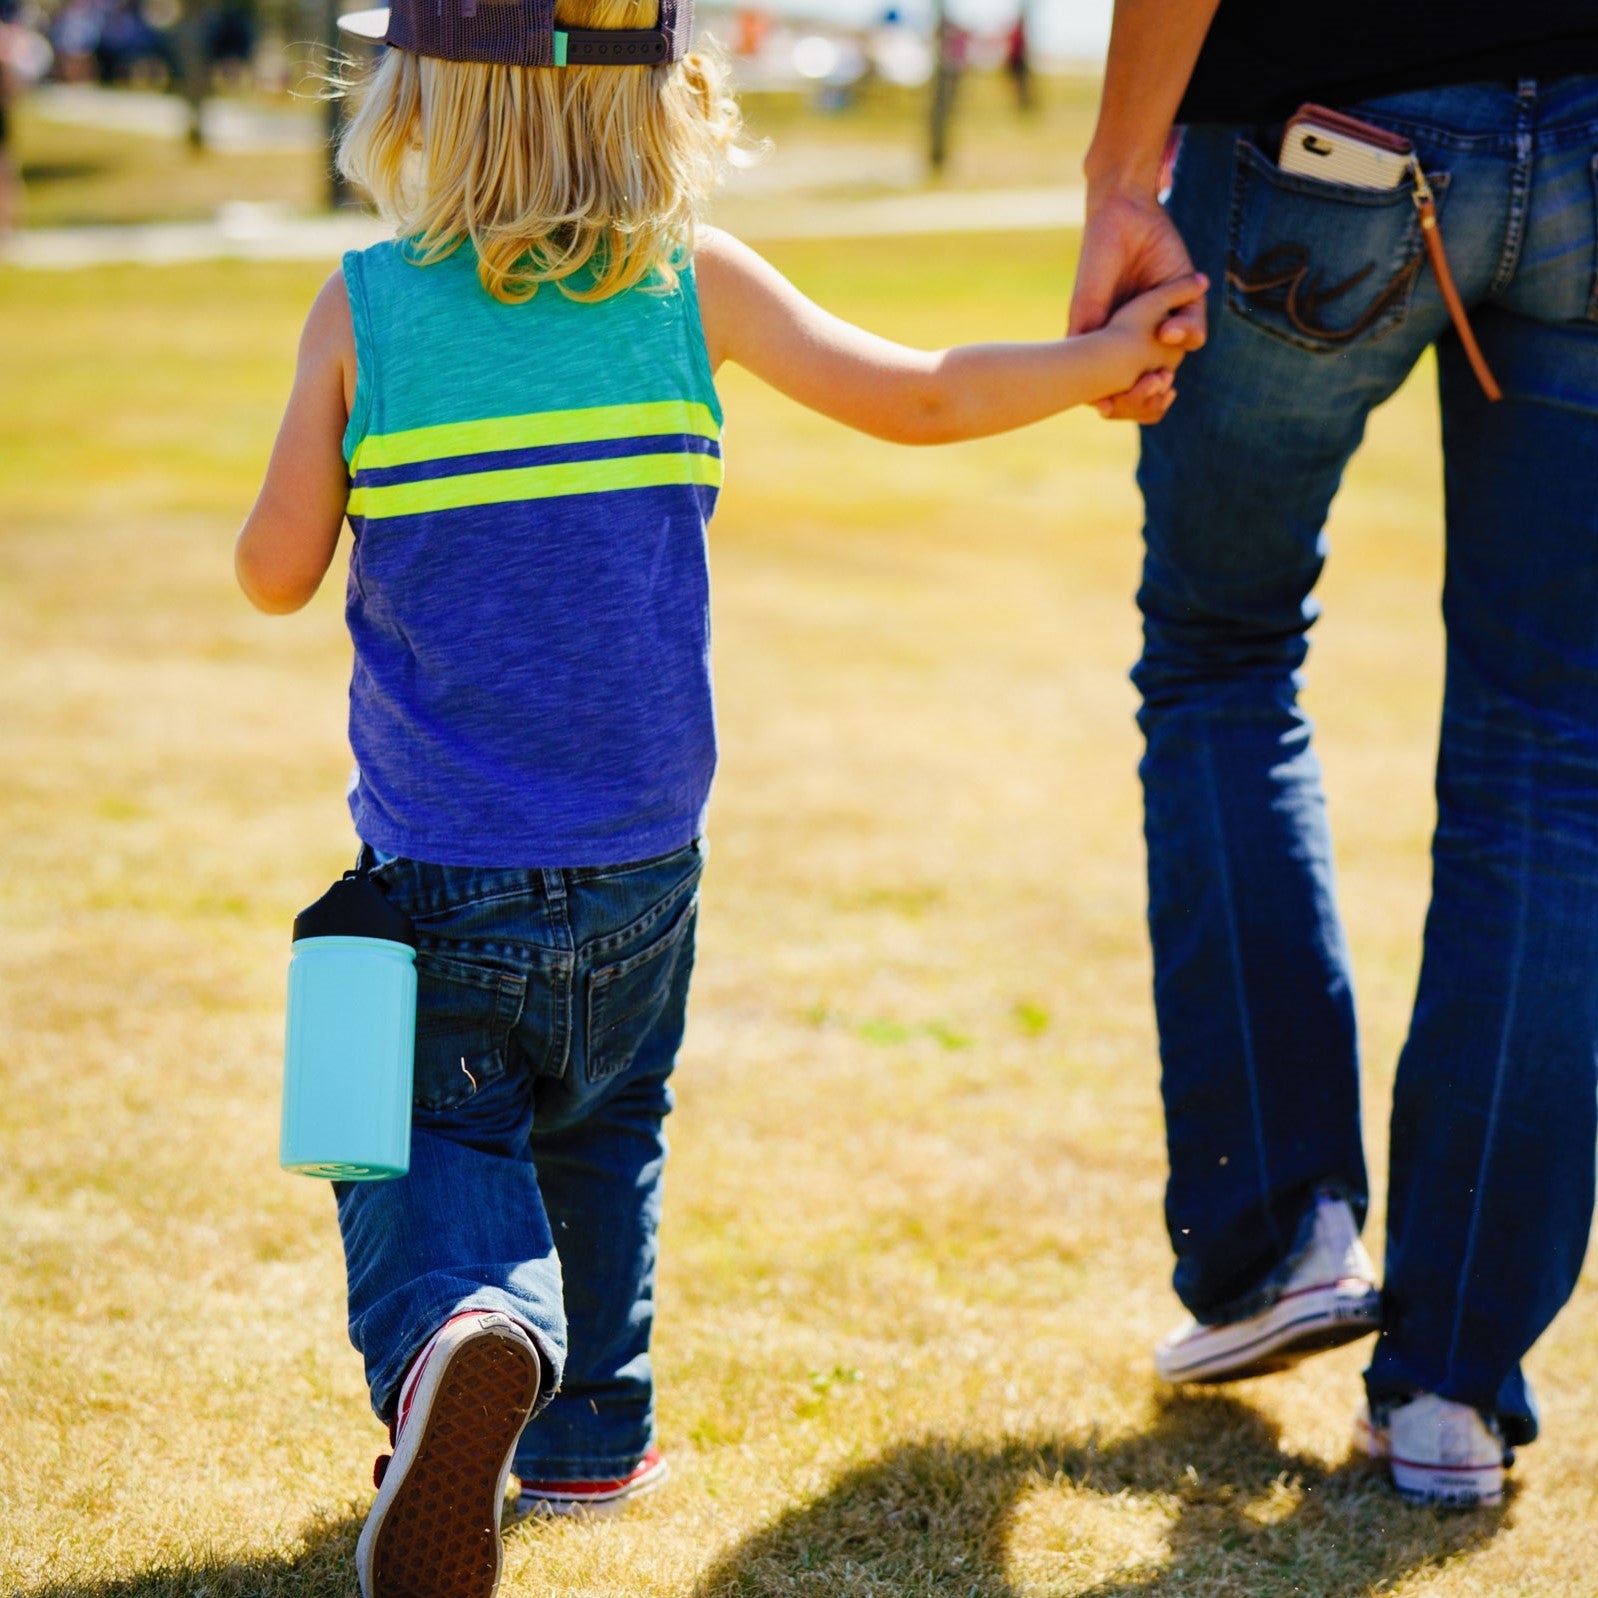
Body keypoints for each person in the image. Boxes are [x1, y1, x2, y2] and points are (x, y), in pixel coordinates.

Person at [234, 0, 1202, 1589]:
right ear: (664, 95)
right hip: (643, 868)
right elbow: (924, 394)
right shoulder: (693, 285)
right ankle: (589, 1438)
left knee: (419, 1129)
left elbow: (276, 571)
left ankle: (461, 1332)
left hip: (438, 873)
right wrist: (1110, 354)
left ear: (415, 96)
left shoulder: (365, 310)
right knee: (607, 1123)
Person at [1071, 0, 1598, 1511]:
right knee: (1550, 752)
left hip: (1328, 127)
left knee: (1220, 655)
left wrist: (1119, 173)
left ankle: (1283, 1236)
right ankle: (1451, 1390)